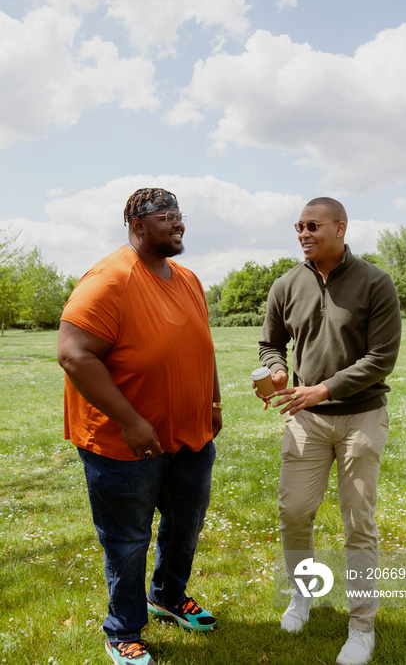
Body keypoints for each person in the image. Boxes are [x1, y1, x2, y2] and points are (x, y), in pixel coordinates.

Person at [57, 188, 222, 665]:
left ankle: (168, 597)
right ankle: (122, 630)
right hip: (123, 444)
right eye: (167, 217)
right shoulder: (108, 280)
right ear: (137, 225)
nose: (179, 223)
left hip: (189, 436)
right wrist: (129, 420)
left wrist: (211, 400)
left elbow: (201, 345)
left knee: (185, 524)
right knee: (127, 539)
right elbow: (73, 354)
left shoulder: (188, 278)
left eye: (180, 215)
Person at [256, 197, 401, 665]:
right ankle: (304, 594)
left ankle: (362, 627)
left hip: (361, 415)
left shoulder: (376, 282)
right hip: (306, 420)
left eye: (313, 225)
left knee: (359, 523)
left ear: (340, 227)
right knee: (294, 512)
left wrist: (323, 389)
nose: (303, 233)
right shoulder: (286, 284)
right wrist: (277, 370)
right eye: (298, 226)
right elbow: (270, 344)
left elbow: (381, 358)